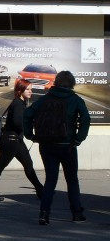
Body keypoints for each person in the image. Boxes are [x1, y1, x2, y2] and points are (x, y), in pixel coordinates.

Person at [24, 70, 90, 225]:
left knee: (50, 180)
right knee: (72, 180)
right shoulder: (75, 100)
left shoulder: (45, 99)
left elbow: (27, 115)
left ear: (57, 82)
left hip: (47, 145)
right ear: (72, 83)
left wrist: (30, 135)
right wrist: (78, 138)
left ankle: (44, 214)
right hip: (68, 146)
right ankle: (76, 213)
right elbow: (86, 119)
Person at [0, 79, 43, 202]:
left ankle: (40, 190)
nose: (30, 92)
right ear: (20, 90)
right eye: (27, 89)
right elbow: (18, 122)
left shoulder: (21, 103)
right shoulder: (17, 103)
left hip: (16, 140)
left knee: (28, 165)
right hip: (10, 140)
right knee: (0, 166)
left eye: (31, 89)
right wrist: (30, 129)